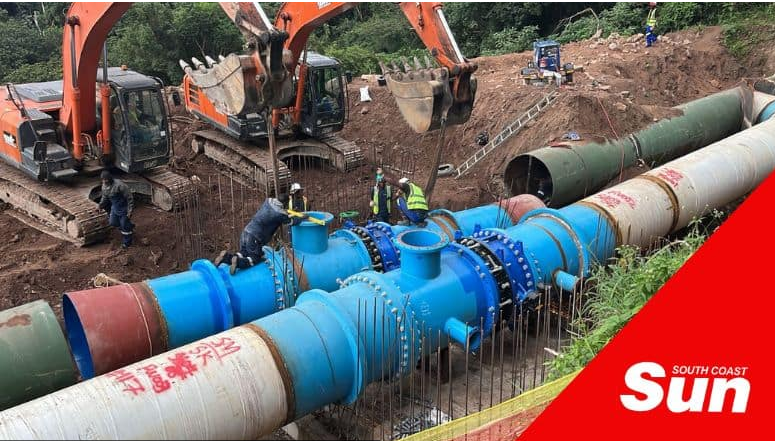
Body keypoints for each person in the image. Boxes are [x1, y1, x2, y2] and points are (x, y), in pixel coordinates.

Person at [214, 193, 292, 275]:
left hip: (246, 231)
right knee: (255, 258)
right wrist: (302, 217)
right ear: (285, 203)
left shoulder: (268, 201)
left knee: (244, 253)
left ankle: (225, 258)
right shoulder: (280, 214)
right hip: (255, 236)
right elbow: (291, 221)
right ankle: (237, 262)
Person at [98, 170, 134, 249]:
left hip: (124, 207)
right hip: (115, 207)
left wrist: (130, 211)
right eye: (103, 180)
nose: (104, 181)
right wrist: (100, 205)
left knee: (124, 224)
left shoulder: (120, 185)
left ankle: (127, 243)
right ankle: (129, 227)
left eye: (106, 179)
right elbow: (105, 196)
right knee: (113, 222)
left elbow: (129, 198)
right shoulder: (104, 186)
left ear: (110, 178)